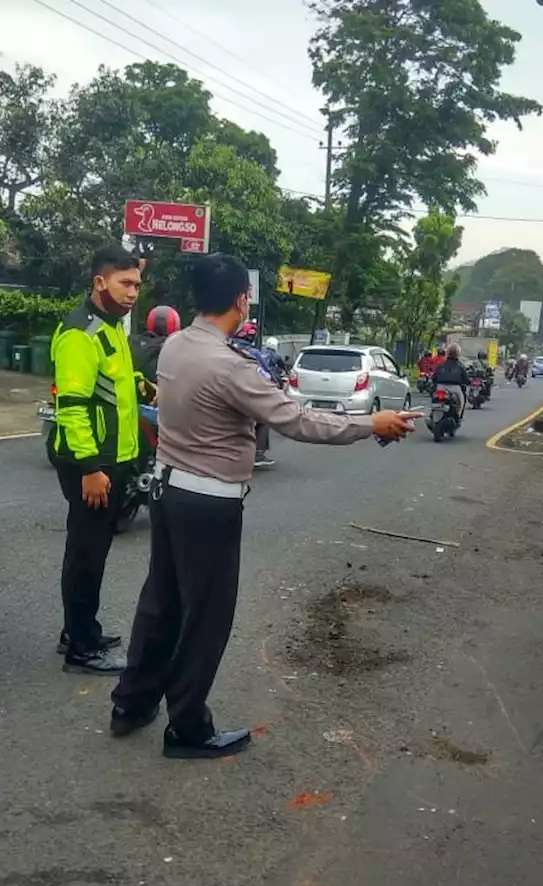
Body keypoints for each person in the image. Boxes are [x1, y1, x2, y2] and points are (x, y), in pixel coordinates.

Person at [109, 253, 420, 759]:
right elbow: (298, 422)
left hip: (167, 491)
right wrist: (373, 424)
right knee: (205, 618)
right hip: (208, 504)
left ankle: (131, 703)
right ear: (240, 299)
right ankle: (187, 728)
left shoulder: (175, 347)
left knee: (160, 604)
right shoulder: (231, 366)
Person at [49, 246, 144, 675]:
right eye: (125, 283)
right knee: (87, 555)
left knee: (89, 551)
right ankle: (82, 649)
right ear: (99, 282)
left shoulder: (110, 328)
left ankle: (79, 629)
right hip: (92, 462)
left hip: (111, 457)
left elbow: (111, 381)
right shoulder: (80, 335)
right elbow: (70, 405)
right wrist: (90, 469)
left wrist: (142, 384)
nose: (133, 292)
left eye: (137, 284)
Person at [253, 336, 289, 468]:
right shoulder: (275, 356)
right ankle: (259, 453)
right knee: (263, 420)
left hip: (249, 385)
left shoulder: (257, 352)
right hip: (266, 386)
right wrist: (279, 381)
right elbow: (275, 371)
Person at [433, 342, 472, 414]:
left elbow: (434, 377)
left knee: (435, 400)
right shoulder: (460, 365)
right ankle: (458, 416)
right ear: (458, 353)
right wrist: (469, 382)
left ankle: (433, 415)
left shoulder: (441, 364)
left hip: (440, 387)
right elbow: (466, 379)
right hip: (455, 388)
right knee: (461, 402)